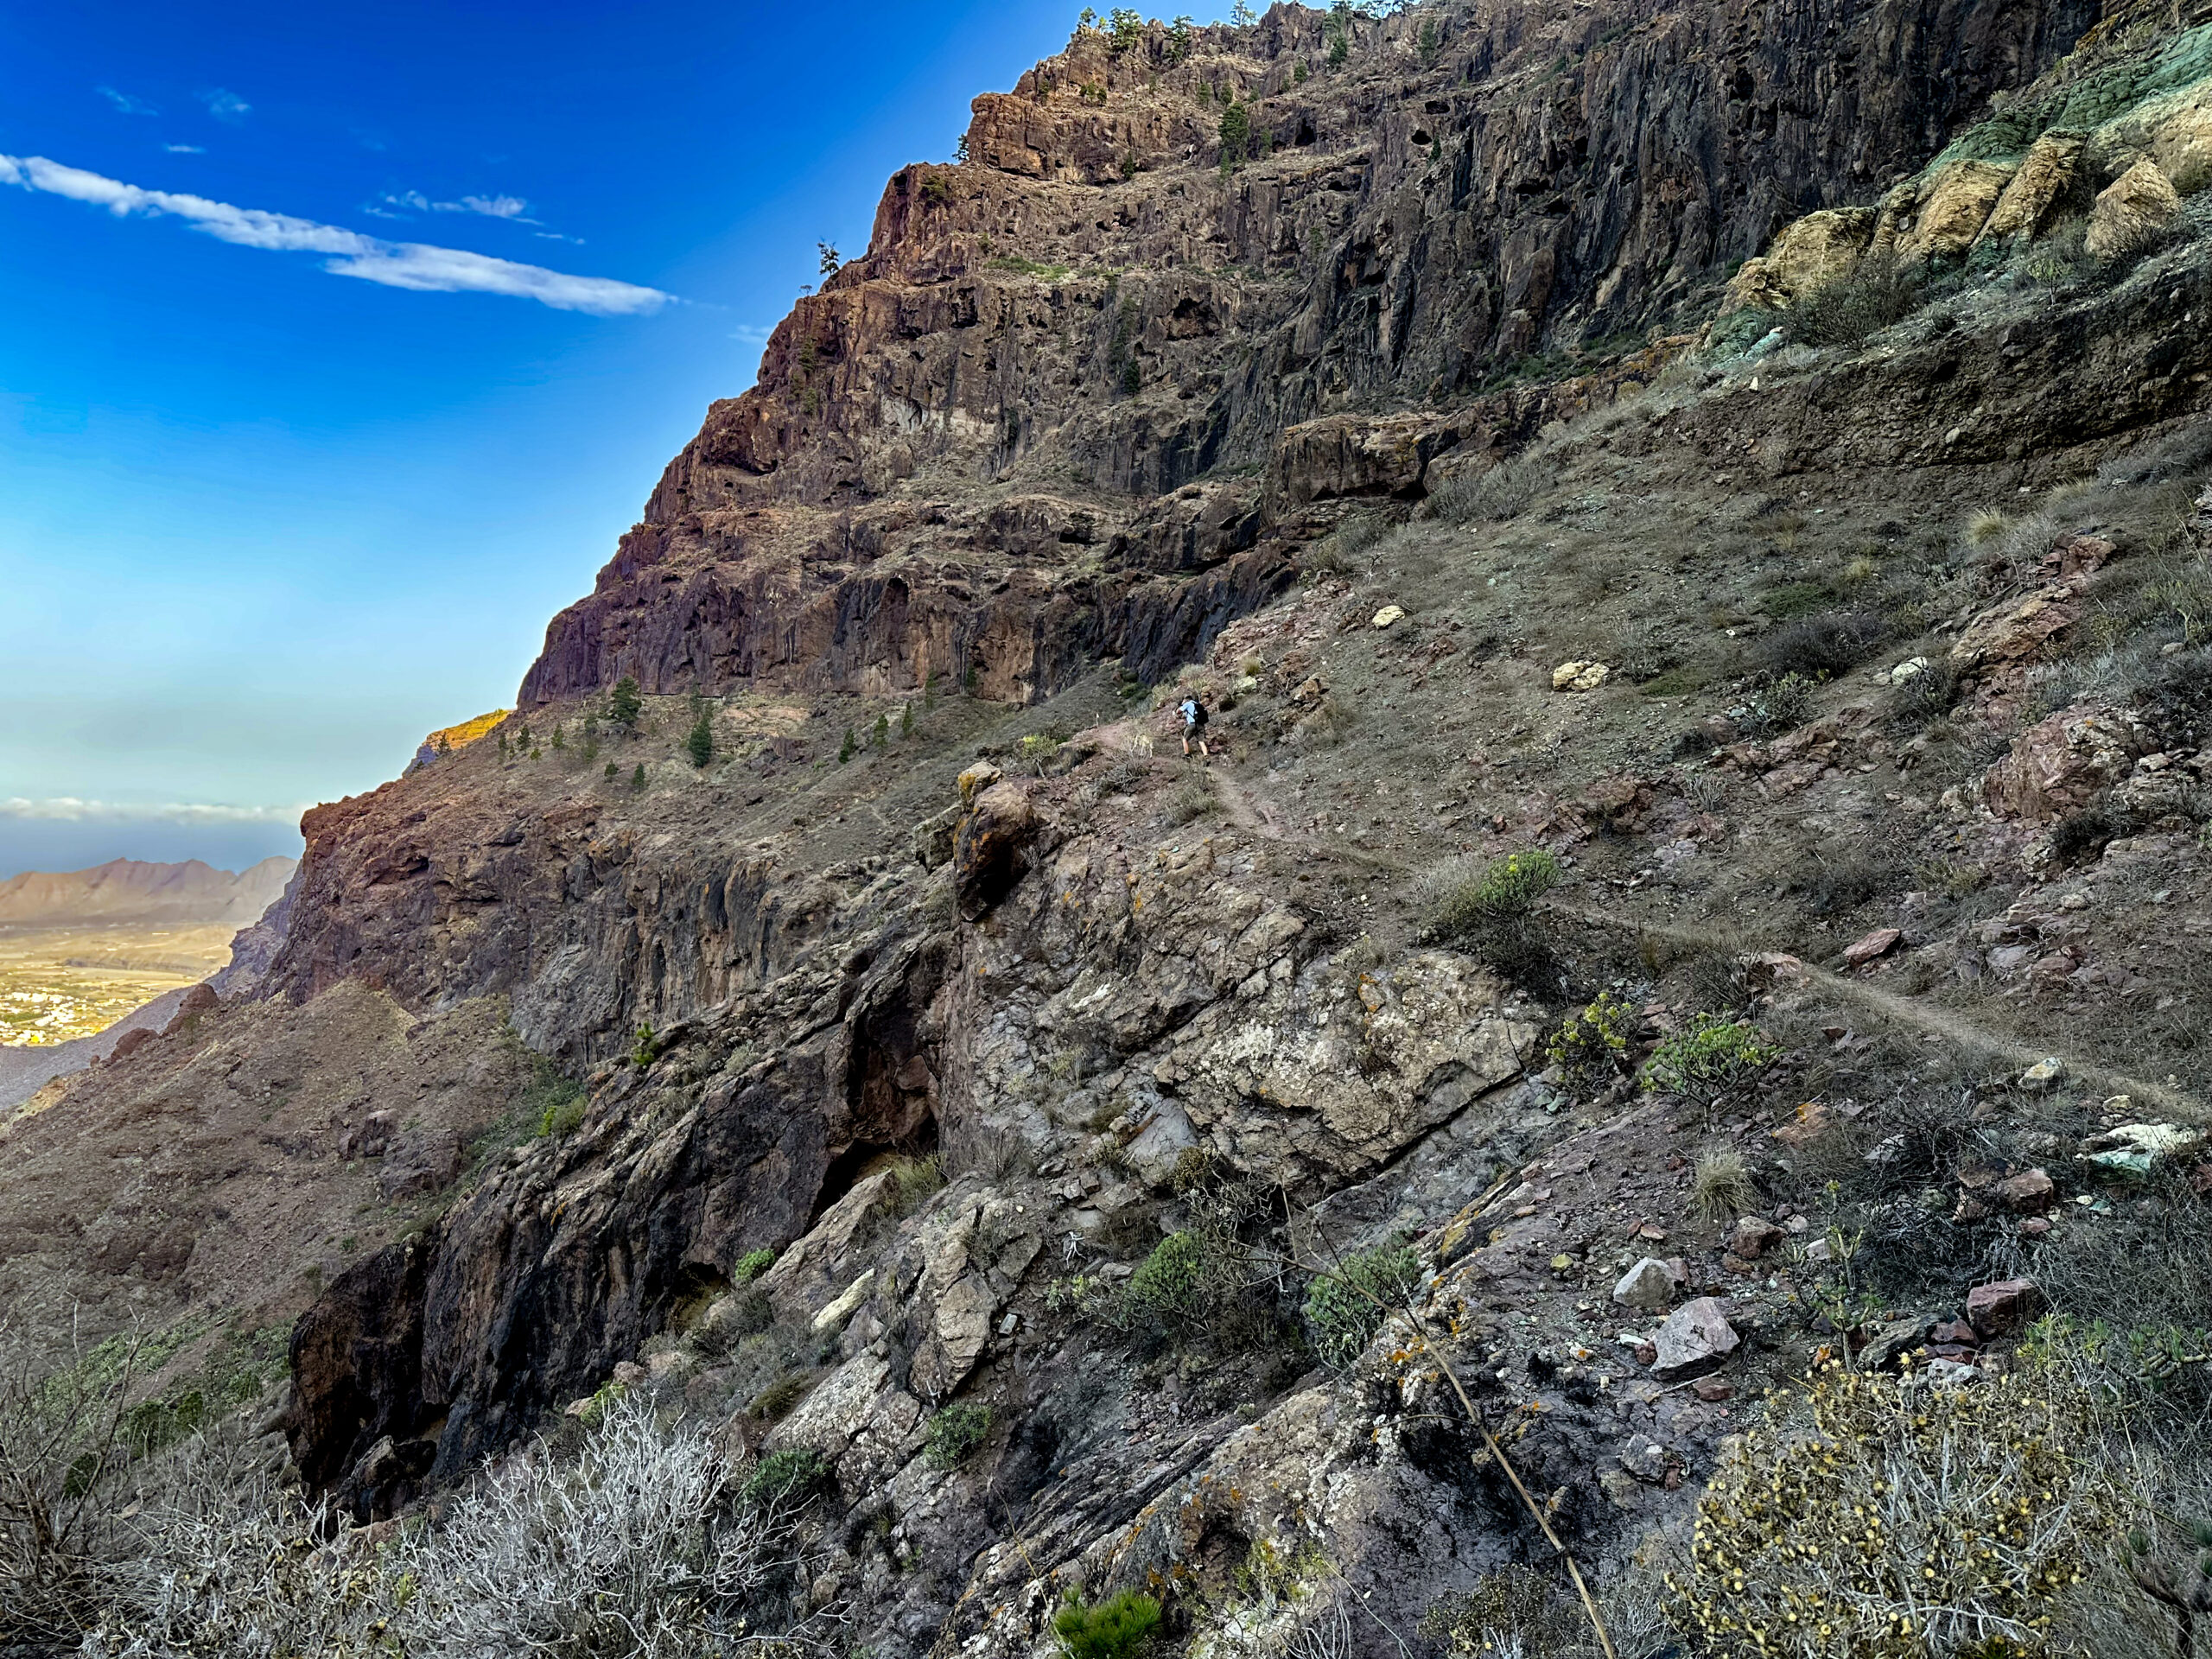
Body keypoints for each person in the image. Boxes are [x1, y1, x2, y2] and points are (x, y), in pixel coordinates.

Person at [1179, 692, 1211, 759]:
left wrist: (1181, 706)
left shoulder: (1188, 703)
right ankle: (1206, 756)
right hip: (1201, 725)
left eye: (1183, 700)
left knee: (1185, 739)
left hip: (1192, 725)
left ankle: (1187, 755)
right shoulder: (1198, 704)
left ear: (1186, 699)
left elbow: (1178, 711)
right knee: (1201, 741)